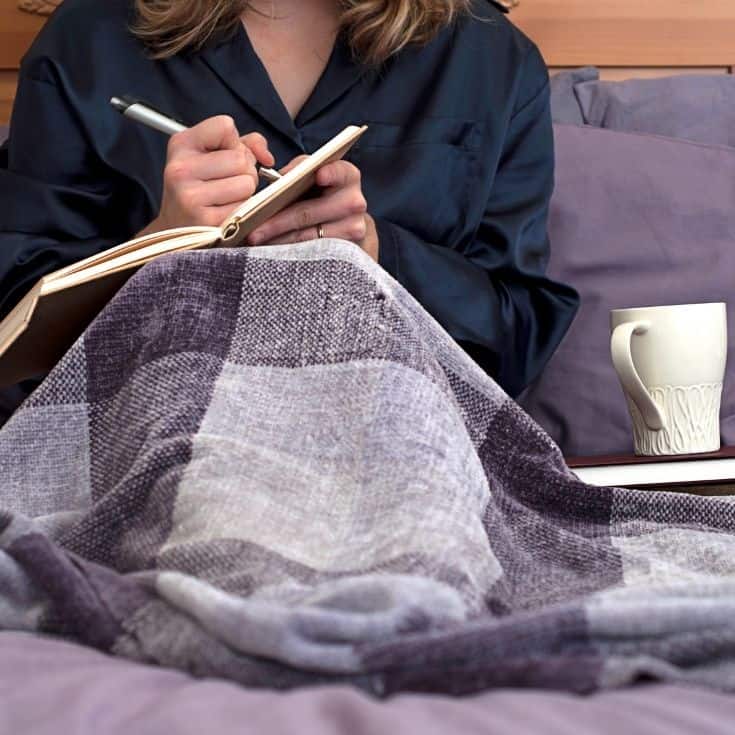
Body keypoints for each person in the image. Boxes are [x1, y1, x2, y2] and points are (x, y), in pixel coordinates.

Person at [0, 0, 579, 399]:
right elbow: (15, 323)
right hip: (161, 429)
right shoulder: (90, 38)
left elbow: (517, 342)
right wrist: (159, 247)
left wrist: (382, 256)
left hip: (400, 437)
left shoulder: (488, 54)